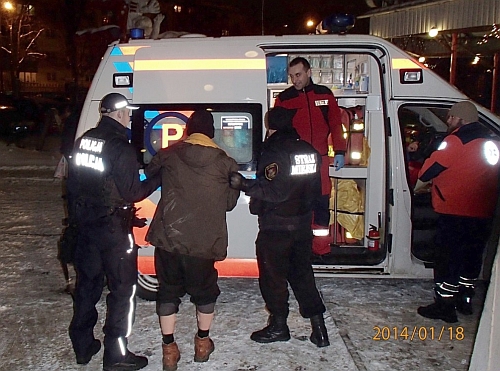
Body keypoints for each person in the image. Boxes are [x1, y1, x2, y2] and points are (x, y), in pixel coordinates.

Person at [67, 93, 159, 370]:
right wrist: (159, 177)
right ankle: (116, 355)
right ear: (118, 113)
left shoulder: (85, 141)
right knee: (122, 291)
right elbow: (134, 192)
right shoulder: (120, 146)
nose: (129, 117)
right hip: (113, 231)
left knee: (87, 288)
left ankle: (83, 347)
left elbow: (72, 185)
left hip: (85, 227)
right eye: (127, 113)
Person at [145, 110, 240, 371]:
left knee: (167, 291)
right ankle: (201, 343)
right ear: (211, 132)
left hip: (169, 237)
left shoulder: (169, 153)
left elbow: (149, 171)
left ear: (189, 130)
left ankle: (169, 350)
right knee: (205, 292)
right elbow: (229, 204)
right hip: (203, 241)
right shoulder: (225, 161)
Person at [229, 106, 330, 348]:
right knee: (303, 276)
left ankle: (278, 326)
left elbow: (273, 191)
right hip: (302, 226)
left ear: (271, 126)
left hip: (277, 228)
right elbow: (317, 189)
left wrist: (243, 184)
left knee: (273, 279)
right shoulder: (309, 151)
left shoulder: (275, 151)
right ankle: (319, 329)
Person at [416, 101, 499, 323]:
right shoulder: (492, 140)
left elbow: (428, 172)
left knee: (448, 259)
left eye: (451, 118)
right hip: (483, 210)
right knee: (471, 258)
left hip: (455, 210)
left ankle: (444, 305)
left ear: (461, 119)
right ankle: (465, 300)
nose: (448, 121)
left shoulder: (455, 140)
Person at [274, 56, 346, 256]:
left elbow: (335, 125)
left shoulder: (324, 94)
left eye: (298, 75)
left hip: (321, 160)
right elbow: (276, 127)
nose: (295, 80)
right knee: (298, 208)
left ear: (309, 72)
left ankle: (321, 249)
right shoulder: (285, 98)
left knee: (321, 207)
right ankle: (300, 251)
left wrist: (340, 151)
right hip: (296, 162)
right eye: (291, 76)